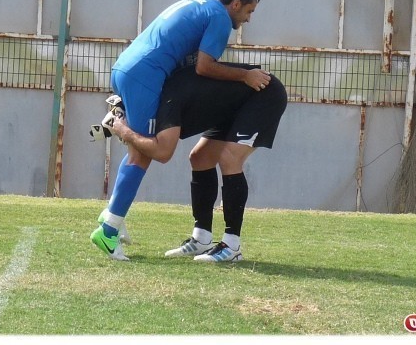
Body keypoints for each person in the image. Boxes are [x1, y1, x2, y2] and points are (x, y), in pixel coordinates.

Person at [90, 0, 270, 260]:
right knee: (148, 153)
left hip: (125, 67)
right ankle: (108, 230)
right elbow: (204, 67)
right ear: (235, 4)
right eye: (249, 11)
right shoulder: (220, 19)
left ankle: (111, 214)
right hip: (145, 77)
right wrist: (245, 75)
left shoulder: (202, 2)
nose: (248, 19)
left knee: (138, 152)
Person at [110, 64, 288, 262]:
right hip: (232, 105)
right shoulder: (160, 94)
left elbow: (162, 153)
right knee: (200, 157)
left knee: (230, 158)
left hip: (263, 95)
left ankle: (232, 246)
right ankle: (202, 238)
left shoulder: (167, 101)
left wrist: (125, 132)